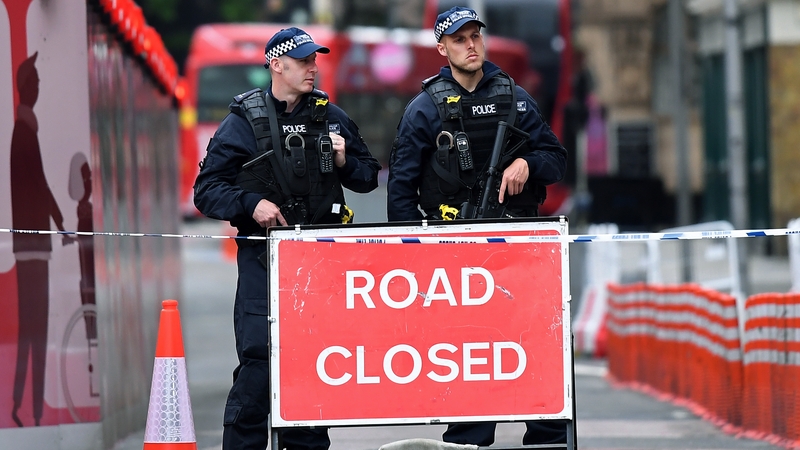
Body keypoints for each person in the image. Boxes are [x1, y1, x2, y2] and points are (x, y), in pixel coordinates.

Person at [385, 6, 568, 446]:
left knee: (531, 346)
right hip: (454, 255)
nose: (471, 45)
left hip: (516, 251)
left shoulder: (515, 98)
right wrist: (413, 259)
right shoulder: (424, 109)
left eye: (476, 37)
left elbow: (556, 159)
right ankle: (469, 440)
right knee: (467, 354)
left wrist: (527, 162)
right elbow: (401, 193)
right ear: (442, 47)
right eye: (460, 39)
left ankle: (546, 436)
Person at [193, 27, 381, 450]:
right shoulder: (243, 122)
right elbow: (206, 191)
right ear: (276, 64)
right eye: (303, 61)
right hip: (265, 262)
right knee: (260, 360)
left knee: (311, 367)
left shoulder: (331, 117)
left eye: (315, 60)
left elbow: (369, 177)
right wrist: (249, 203)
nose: (313, 68)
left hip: (320, 266)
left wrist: (344, 159)